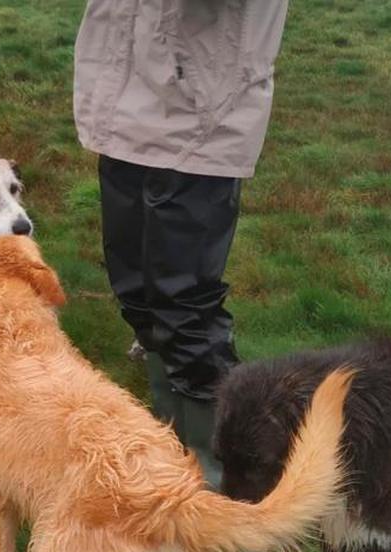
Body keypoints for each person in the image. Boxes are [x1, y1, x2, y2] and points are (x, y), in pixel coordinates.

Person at [74, 0, 290, 486]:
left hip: (203, 101)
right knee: (136, 290)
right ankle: (170, 444)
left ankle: (220, 474)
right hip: (123, 96)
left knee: (184, 305)